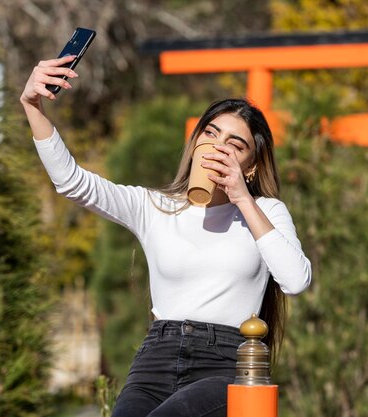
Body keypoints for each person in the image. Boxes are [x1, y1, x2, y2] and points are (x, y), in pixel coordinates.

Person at [20, 55, 312, 417]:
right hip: (156, 356)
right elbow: (73, 183)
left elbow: (296, 281)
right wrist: (32, 106)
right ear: (195, 143)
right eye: (210, 134)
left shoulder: (265, 212)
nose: (218, 147)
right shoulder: (154, 207)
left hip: (225, 364)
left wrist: (241, 197)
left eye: (235, 145)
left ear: (251, 166)